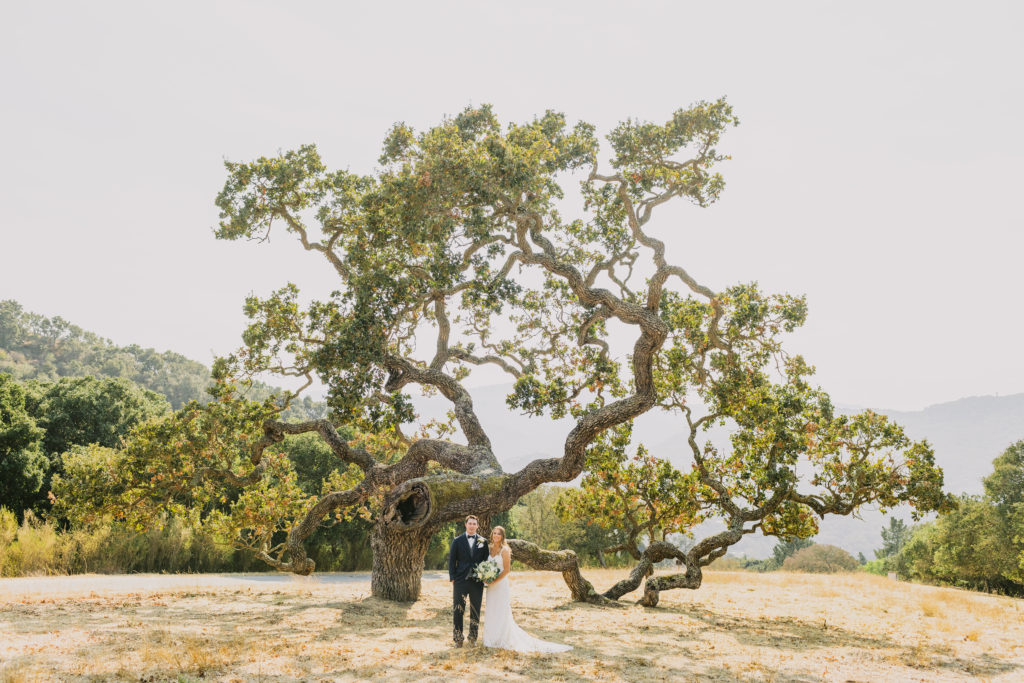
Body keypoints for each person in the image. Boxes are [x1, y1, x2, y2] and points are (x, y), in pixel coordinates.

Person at [481, 526, 572, 653]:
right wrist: (485, 578)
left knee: (501, 611)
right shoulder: (489, 548)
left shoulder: (505, 550)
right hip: (490, 587)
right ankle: (490, 639)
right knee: (491, 610)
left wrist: (495, 580)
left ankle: (501, 639)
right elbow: (486, 565)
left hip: (500, 585)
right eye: (494, 533)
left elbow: (507, 570)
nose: (496, 536)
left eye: (499, 534)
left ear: (502, 536)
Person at [448, 514, 489, 647]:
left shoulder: (483, 542)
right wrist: (452, 577)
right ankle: (458, 638)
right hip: (460, 580)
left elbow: (486, 561)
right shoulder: (457, 540)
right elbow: (452, 560)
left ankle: (473, 638)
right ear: (465, 525)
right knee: (458, 609)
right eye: (469, 523)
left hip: (477, 581)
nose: (472, 526)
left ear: (477, 526)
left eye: (474, 524)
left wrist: (485, 577)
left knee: (475, 609)